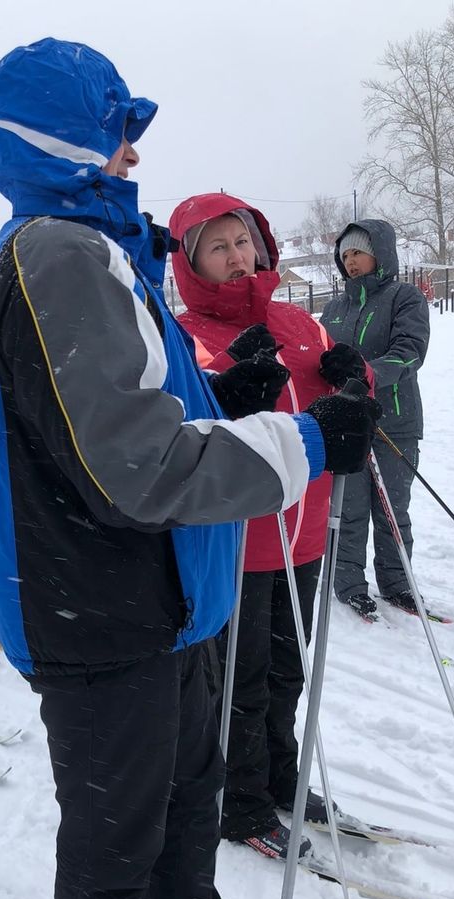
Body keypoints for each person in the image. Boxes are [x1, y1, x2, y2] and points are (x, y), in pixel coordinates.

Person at [0, 38, 381, 899]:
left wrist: (234, 403)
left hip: (174, 595)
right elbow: (135, 466)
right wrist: (302, 443)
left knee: (190, 801)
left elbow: (144, 413)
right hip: (99, 611)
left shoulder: (99, 248)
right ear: (62, 144)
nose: (132, 155)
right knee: (118, 829)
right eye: (117, 137)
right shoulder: (58, 254)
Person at [168, 193, 373, 860]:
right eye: (218, 247)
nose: (235, 258)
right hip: (237, 542)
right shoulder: (181, 334)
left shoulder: (297, 322)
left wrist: (352, 372)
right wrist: (228, 387)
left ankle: (281, 777)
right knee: (240, 681)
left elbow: (345, 398)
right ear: (193, 261)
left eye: (242, 242)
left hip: (304, 532)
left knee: (289, 670)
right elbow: (178, 429)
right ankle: (241, 799)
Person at [321, 221, 430, 619]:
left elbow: (410, 349)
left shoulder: (405, 297)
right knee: (347, 510)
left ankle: (397, 585)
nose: (350, 261)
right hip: (349, 424)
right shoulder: (334, 308)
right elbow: (319, 360)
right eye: (345, 255)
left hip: (395, 422)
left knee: (392, 510)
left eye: (358, 252)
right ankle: (349, 585)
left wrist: (367, 375)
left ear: (379, 252)